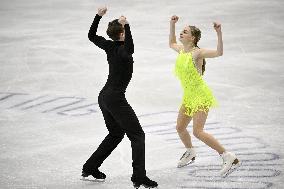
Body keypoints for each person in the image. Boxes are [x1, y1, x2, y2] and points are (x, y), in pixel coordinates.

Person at [81, 7, 158, 188]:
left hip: (104, 97)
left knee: (116, 133)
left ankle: (90, 166)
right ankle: (139, 176)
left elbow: (91, 35)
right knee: (137, 135)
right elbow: (130, 49)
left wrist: (98, 16)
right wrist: (128, 25)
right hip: (115, 98)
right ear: (122, 33)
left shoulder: (109, 46)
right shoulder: (122, 50)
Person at [169, 15, 240, 177]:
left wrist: (219, 33)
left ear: (192, 38)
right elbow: (171, 43)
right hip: (188, 97)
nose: (181, 34)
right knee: (180, 127)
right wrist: (172, 25)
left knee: (198, 131)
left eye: (184, 32)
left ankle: (228, 156)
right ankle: (190, 152)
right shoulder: (181, 50)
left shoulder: (197, 53)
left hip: (200, 96)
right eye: (181, 31)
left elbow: (219, 53)